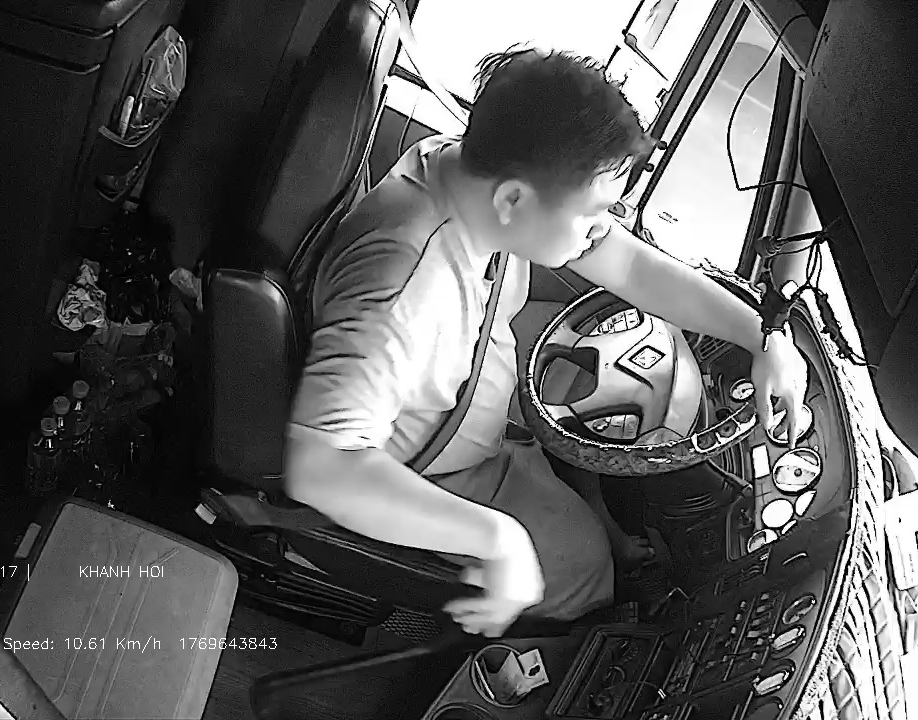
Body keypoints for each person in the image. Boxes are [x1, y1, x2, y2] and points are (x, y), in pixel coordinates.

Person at [283, 49, 809, 637]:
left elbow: (630, 267)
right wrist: (496, 538)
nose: (602, 227)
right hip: (433, 472)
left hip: (477, 414)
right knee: (586, 566)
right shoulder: (404, 289)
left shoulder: (471, 172)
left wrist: (762, 334)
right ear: (514, 200)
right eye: (594, 212)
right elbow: (321, 465)